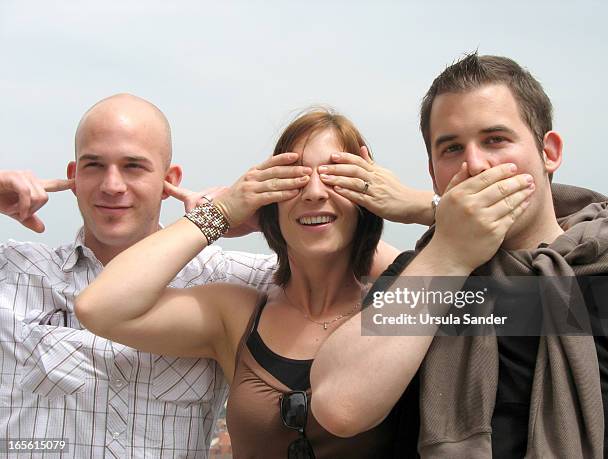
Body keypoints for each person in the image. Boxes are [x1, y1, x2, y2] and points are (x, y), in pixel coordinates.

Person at [74, 108, 452, 458]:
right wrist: (220, 214)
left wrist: (422, 207)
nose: (315, 192)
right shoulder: (238, 314)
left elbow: (509, 307)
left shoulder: (409, 302)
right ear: (267, 195)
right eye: (294, 178)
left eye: (337, 178)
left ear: (369, 194)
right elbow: (100, 307)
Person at [310, 52, 608, 458]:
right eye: (451, 148)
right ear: (434, 172)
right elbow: (338, 406)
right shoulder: (422, 272)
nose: (474, 164)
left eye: (496, 140)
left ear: (549, 152)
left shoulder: (602, 270)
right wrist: (449, 255)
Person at [0, 93, 315, 458]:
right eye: (94, 166)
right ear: (73, 177)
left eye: (133, 166)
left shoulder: (224, 282)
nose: (112, 185)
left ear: (170, 180)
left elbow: (371, 292)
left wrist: (266, 221)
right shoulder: (15, 271)